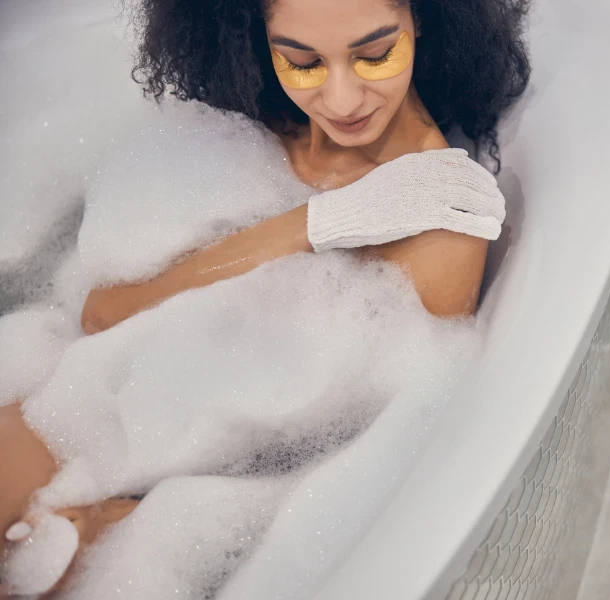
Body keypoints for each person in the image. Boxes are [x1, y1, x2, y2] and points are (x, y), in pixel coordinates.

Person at [0, 0, 531, 593]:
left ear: (424, 19)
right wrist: (315, 223)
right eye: (301, 62)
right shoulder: (246, 128)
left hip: (192, 493)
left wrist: (122, 514)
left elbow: (355, 447)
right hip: (79, 402)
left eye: (376, 53)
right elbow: (100, 314)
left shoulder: (441, 220)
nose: (342, 99)